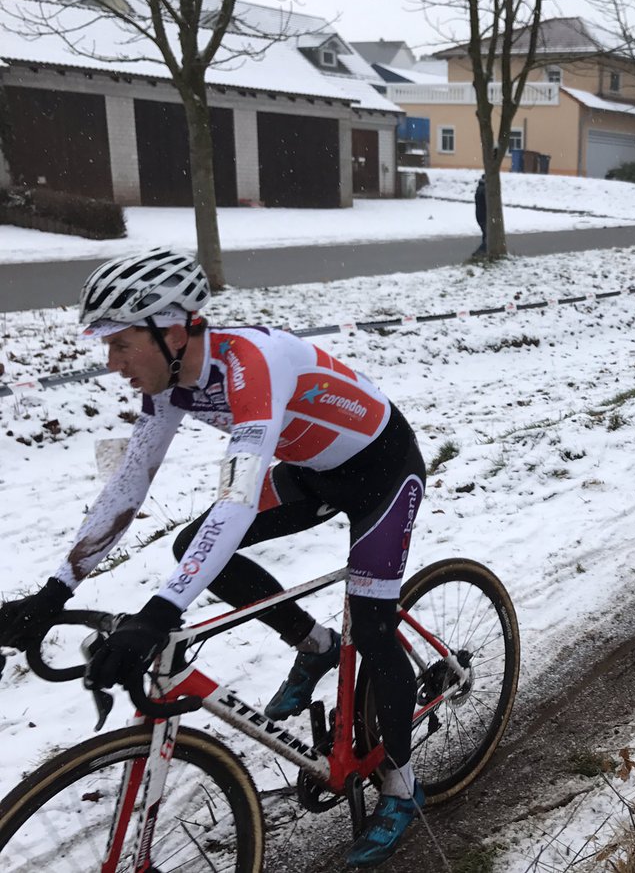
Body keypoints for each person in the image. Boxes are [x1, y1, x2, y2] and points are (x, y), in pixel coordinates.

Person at [0, 248, 427, 868]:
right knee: (191, 546)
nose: (112, 363)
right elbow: (127, 487)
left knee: (375, 623)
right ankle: (315, 647)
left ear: (172, 329)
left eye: (120, 344)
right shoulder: (172, 383)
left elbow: (236, 497)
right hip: (312, 471)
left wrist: (159, 610)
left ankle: (400, 784)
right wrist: (54, 590)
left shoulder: (252, 365)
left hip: (382, 470)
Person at [474, 174, 487, 256]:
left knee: (486, 235)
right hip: (483, 215)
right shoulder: (484, 190)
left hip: (479, 214)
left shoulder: (479, 188)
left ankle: (483, 252)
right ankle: (479, 253)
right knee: (488, 236)